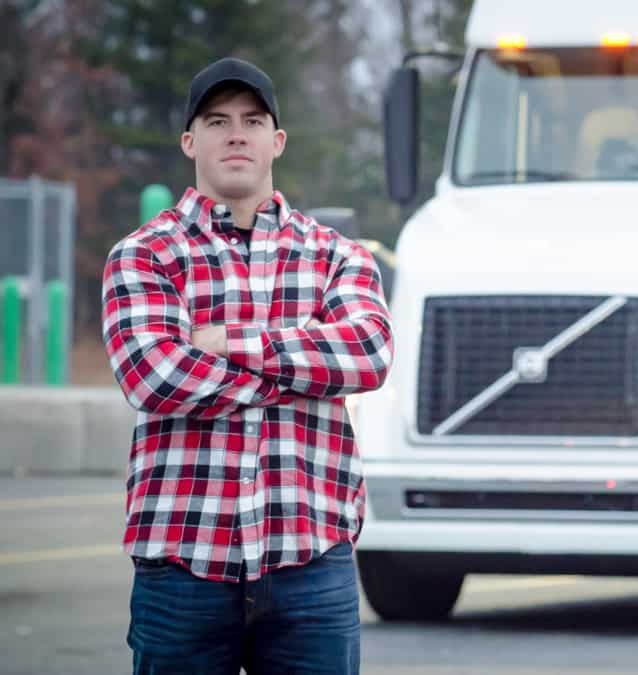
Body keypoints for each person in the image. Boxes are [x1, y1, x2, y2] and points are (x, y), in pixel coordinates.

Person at [101, 57, 393, 674]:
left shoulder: (337, 258)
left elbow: (367, 354)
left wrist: (231, 344)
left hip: (311, 564)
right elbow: (154, 377)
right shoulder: (143, 255)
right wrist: (304, 363)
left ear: (276, 141)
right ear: (190, 141)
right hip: (182, 564)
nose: (236, 133)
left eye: (253, 120)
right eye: (217, 120)